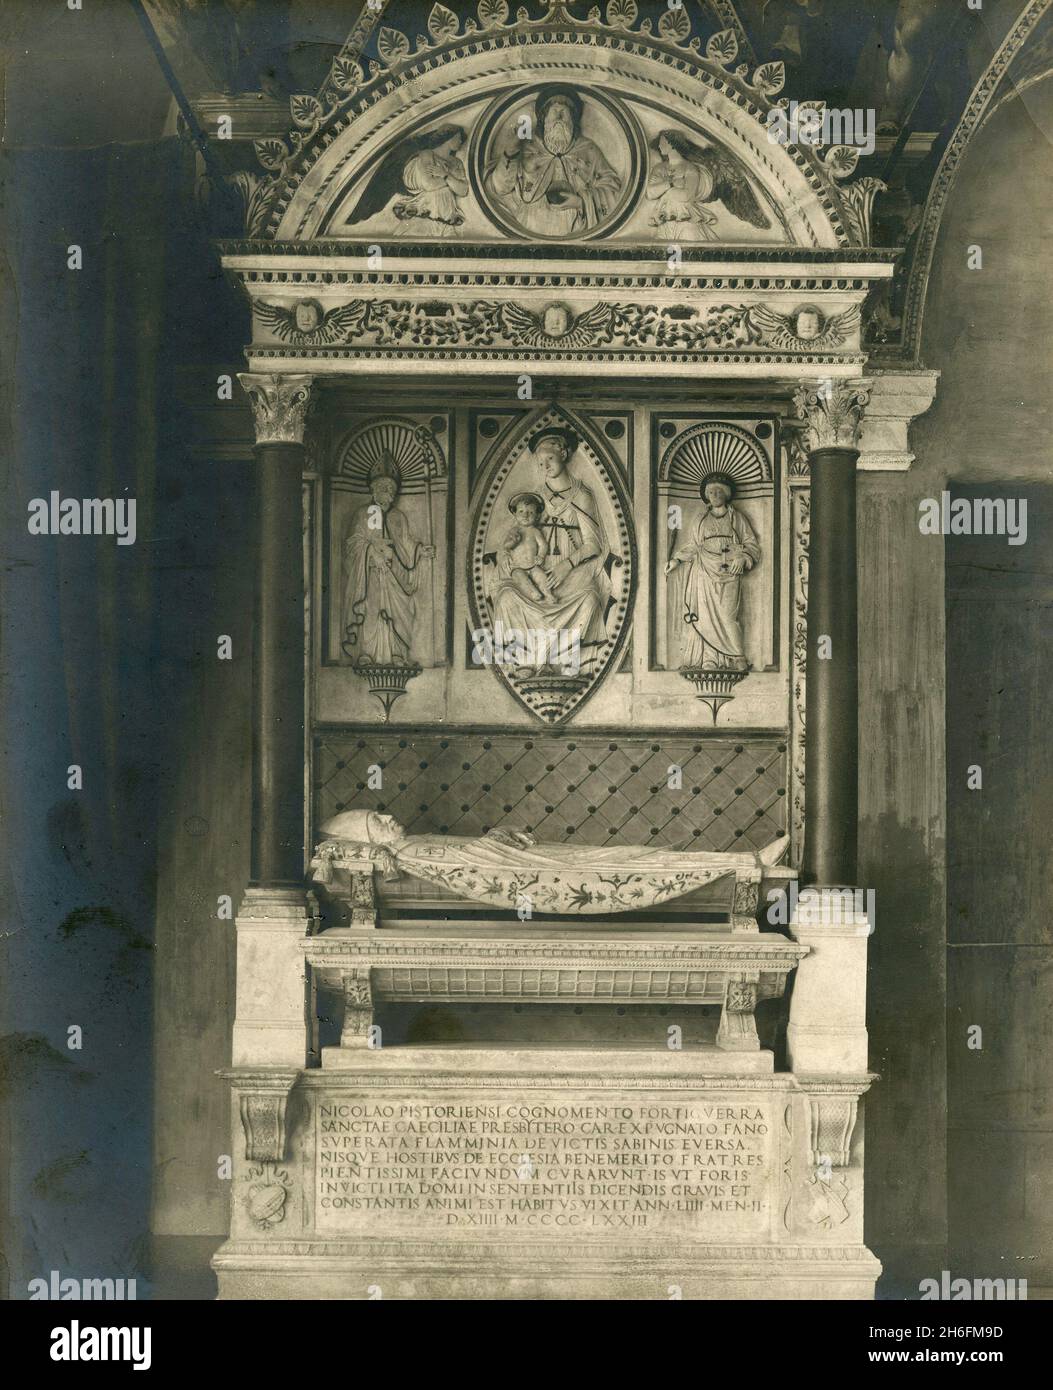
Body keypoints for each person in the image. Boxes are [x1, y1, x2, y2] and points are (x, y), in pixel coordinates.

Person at [491, 427, 611, 674]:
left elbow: (594, 544)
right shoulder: (533, 499)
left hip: (571, 571)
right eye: (540, 462)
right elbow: (518, 535)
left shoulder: (582, 495)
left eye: (550, 458)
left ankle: (560, 661)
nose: (545, 465)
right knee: (506, 597)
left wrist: (566, 565)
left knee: (589, 598)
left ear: (564, 454)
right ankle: (528, 660)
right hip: (536, 570)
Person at [485, 86, 621, 237]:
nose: (559, 118)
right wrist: (510, 152)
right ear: (543, 120)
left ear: (573, 120)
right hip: (529, 227)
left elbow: (613, 190)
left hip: (577, 229)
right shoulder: (527, 149)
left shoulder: (588, 150)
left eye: (564, 113)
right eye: (554, 113)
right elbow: (500, 188)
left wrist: (581, 202)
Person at [342, 454, 435, 666]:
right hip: (372, 573)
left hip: (395, 574)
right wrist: (372, 554)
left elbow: (406, 543)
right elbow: (354, 543)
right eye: (384, 489)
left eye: (392, 490)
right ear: (373, 489)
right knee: (372, 607)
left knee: (397, 610)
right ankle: (367, 652)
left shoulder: (398, 517)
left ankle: (396, 652)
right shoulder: (364, 513)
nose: (389, 494)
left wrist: (420, 551)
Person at [665, 472, 760, 671]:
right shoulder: (701, 519)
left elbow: (752, 545)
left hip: (729, 573)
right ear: (707, 496)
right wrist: (676, 560)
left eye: (719, 491)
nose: (715, 494)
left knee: (727, 615)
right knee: (705, 617)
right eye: (711, 491)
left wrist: (743, 558)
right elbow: (694, 546)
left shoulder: (737, 518)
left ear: (726, 494)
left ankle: (736, 656)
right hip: (704, 572)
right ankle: (709, 659)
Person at [500, 493, 553, 602]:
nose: (525, 515)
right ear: (514, 514)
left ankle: (549, 594)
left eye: (531, 512)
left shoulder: (535, 531)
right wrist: (513, 542)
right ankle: (534, 592)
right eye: (521, 511)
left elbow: (543, 545)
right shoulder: (514, 530)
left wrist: (541, 556)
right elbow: (505, 547)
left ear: (537, 516)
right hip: (517, 567)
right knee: (520, 577)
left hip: (533, 566)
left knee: (542, 577)